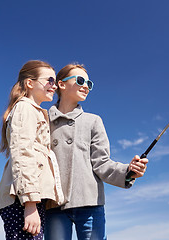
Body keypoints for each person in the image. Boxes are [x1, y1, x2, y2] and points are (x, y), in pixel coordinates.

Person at [44, 63, 148, 240]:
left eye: (89, 83)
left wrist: (128, 172)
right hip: (53, 205)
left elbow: (102, 163)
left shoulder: (93, 121)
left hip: (90, 203)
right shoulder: (43, 120)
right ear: (61, 84)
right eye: (80, 80)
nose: (86, 86)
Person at [0, 60, 64, 240]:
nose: (54, 85)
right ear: (30, 83)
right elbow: (23, 154)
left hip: (27, 200)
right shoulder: (25, 107)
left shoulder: (34, 110)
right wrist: (30, 203)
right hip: (22, 201)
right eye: (49, 80)